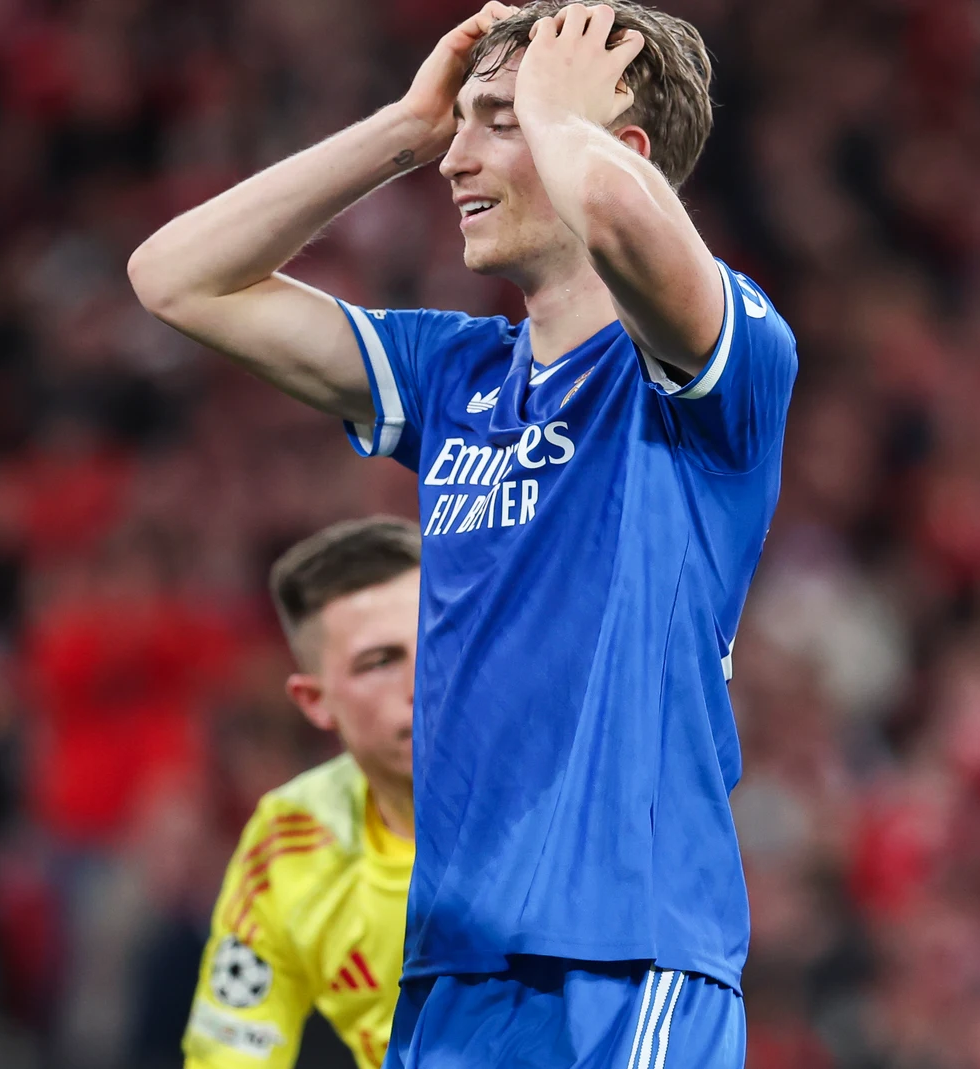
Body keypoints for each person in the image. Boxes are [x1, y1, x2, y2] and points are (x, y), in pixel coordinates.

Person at [132, 0, 795, 1062]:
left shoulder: (712, 364)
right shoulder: (457, 375)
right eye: (466, 121)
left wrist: (560, 117)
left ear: (608, 145)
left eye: (502, 122)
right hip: (449, 975)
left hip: (621, 963)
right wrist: (402, 127)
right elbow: (176, 280)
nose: (458, 158)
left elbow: (626, 224)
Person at [184, 517, 421, 1069]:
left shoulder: (573, 793)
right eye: (380, 662)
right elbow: (229, 1054)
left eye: (440, 640)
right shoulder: (290, 840)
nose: (423, 684)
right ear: (315, 701)